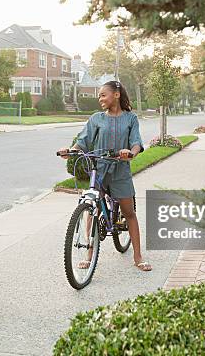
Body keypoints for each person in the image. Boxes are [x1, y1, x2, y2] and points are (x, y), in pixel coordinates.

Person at [58, 81, 152, 271]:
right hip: (99, 170)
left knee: (129, 213)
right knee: (92, 209)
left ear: (116, 94)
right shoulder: (96, 118)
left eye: (103, 95)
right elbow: (83, 141)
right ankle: (89, 254)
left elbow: (136, 142)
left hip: (120, 170)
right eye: (99, 95)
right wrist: (71, 150)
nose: (100, 99)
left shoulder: (130, 119)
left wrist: (131, 152)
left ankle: (138, 256)